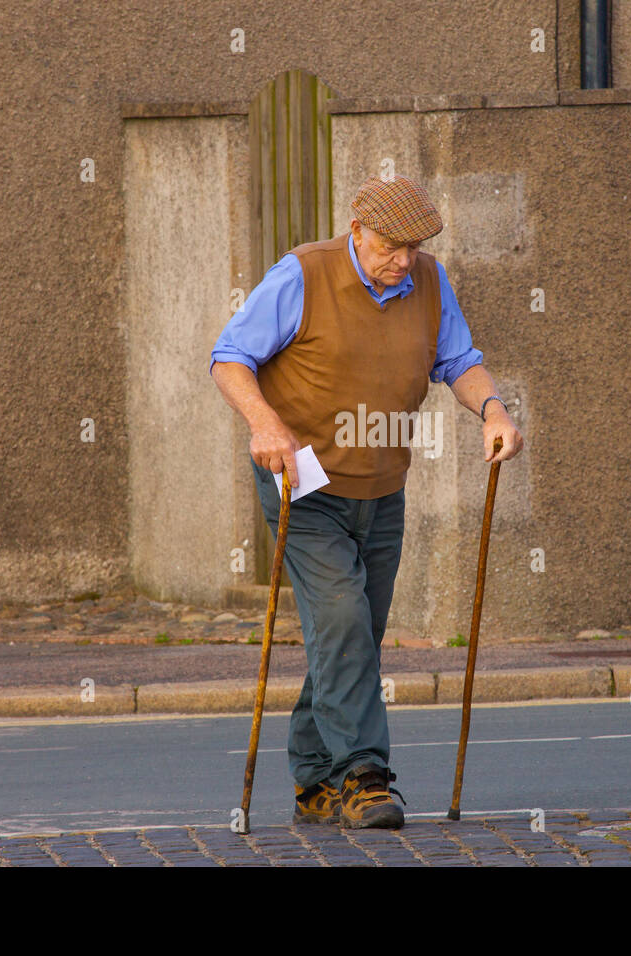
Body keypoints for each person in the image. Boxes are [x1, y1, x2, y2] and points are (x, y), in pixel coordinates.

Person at [209, 175, 523, 828]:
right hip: (302, 482)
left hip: (381, 484)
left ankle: (313, 783)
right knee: (344, 621)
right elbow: (231, 357)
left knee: (352, 635)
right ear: (357, 232)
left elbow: (459, 359)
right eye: (390, 245)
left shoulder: (430, 284)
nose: (403, 259)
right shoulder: (304, 274)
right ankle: (364, 780)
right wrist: (264, 423)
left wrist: (493, 409)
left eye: (413, 246)